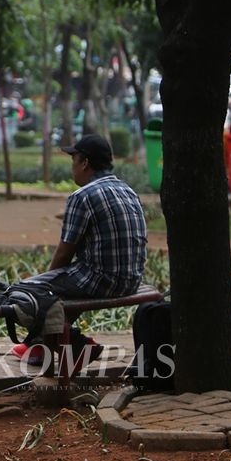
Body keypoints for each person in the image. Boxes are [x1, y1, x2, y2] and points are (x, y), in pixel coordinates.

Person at [15, 135, 148, 365]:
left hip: (102, 280)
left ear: (84, 162)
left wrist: (45, 284)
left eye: (73, 160)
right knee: (62, 290)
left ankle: (79, 346)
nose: (72, 167)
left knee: (26, 292)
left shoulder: (82, 196)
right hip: (131, 280)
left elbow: (64, 254)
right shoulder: (128, 190)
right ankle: (37, 346)